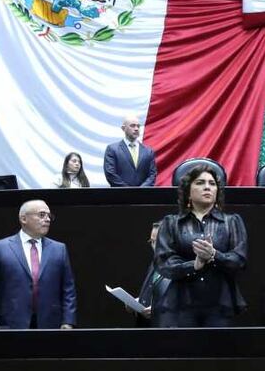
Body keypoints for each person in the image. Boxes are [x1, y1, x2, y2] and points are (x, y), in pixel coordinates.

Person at [155, 164, 247, 327]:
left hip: (220, 304)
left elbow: (239, 261)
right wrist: (194, 265)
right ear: (187, 192)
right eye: (200, 183)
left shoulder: (232, 221)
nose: (207, 187)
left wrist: (213, 255)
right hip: (181, 304)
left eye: (212, 184)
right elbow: (164, 264)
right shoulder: (171, 223)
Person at [0, 199, 76, 329]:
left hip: (50, 324)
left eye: (49, 216)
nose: (47, 219)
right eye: (42, 215)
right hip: (11, 324)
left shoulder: (59, 249)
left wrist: (68, 321)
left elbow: (68, 289)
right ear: (24, 219)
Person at [104, 115, 158, 187]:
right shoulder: (112, 149)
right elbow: (110, 174)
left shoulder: (148, 151)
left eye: (138, 126)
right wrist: (129, 191)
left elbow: (152, 175)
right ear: (123, 128)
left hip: (144, 196)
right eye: (132, 126)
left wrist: (141, 190)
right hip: (120, 195)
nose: (136, 129)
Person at [136, 221, 167, 325]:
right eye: (152, 242)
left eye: (157, 242)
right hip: (145, 328)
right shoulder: (155, 263)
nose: (154, 246)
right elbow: (149, 291)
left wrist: (157, 309)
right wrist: (138, 302)